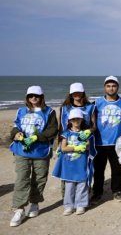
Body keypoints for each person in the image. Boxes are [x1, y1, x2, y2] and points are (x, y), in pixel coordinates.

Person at [9, 86, 58, 227]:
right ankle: (19, 209)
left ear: (42, 97)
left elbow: (52, 130)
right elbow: (15, 126)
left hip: (41, 151)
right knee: (21, 178)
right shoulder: (21, 111)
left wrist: (37, 137)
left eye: (36, 96)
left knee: (40, 178)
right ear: (27, 98)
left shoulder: (49, 112)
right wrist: (16, 134)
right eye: (31, 96)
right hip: (21, 151)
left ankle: (35, 203)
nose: (33, 98)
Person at [92, 76, 121, 203]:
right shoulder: (97, 103)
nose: (111, 88)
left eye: (114, 86)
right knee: (98, 170)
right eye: (108, 86)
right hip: (100, 142)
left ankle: (117, 191)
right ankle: (97, 193)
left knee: (116, 169)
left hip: (118, 143)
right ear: (104, 87)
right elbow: (92, 122)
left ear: (118, 87)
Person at [57, 82, 96, 198]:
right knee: (67, 168)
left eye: (79, 92)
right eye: (74, 93)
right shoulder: (65, 108)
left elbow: (94, 126)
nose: (77, 94)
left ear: (83, 92)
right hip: (68, 143)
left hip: (85, 143)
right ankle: (67, 198)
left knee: (85, 169)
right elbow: (61, 127)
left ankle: (84, 196)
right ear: (71, 94)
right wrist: (59, 144)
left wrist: (89, 131)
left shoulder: (90, 107)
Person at [54, 108, 93, 216]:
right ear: (70, 120)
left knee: (82, 184)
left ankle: (81, 204)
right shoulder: (66, 133)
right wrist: (76, 148)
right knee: (69, 186)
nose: (76, 121)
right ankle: (68, 206)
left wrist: (85, 145)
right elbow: (63, 148)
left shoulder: (84, 133)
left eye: (78, 119)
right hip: (69, 165)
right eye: (74, 119)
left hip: (81, 163)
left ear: (82, 120)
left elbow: (88, 145)